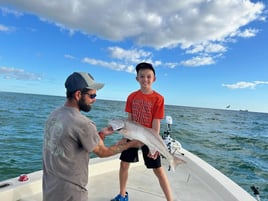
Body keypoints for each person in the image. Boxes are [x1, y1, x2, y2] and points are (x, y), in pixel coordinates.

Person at [42, 72, 141, 201]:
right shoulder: (83, 124)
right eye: (92, 95)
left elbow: (74, 142)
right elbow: (102, 152)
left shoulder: (53, 115)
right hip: (72, 194)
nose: (94, 99)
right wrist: (132, 144)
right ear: (78, 95)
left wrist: (101, 134)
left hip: (50, 190)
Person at [111, 63, 173, 201]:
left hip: (150, 137)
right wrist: (125, 137)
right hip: (133, 135)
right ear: (137, 78)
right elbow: (129, 120)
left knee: (158, 170)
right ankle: (122, 195)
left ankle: (170, 199)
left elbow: (156, 122)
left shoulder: (159, 98)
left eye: (148, 76)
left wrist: (155, 145)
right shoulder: (132, 97)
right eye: (142, 76)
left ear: (154, 79)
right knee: (124, 164)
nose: (145, 79)